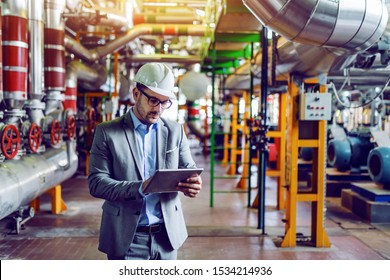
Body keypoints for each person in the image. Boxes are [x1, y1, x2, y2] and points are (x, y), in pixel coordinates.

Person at [88, 62, 202, 260]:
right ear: (135, 94)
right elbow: (97, 183)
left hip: (167, 238)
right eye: (153, 100)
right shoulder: (107, 132)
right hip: (127, 239)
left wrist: (193, 183)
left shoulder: (175, 131)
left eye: (165, 102)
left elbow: (189, 168)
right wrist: (141, 187)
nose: (158, 109)